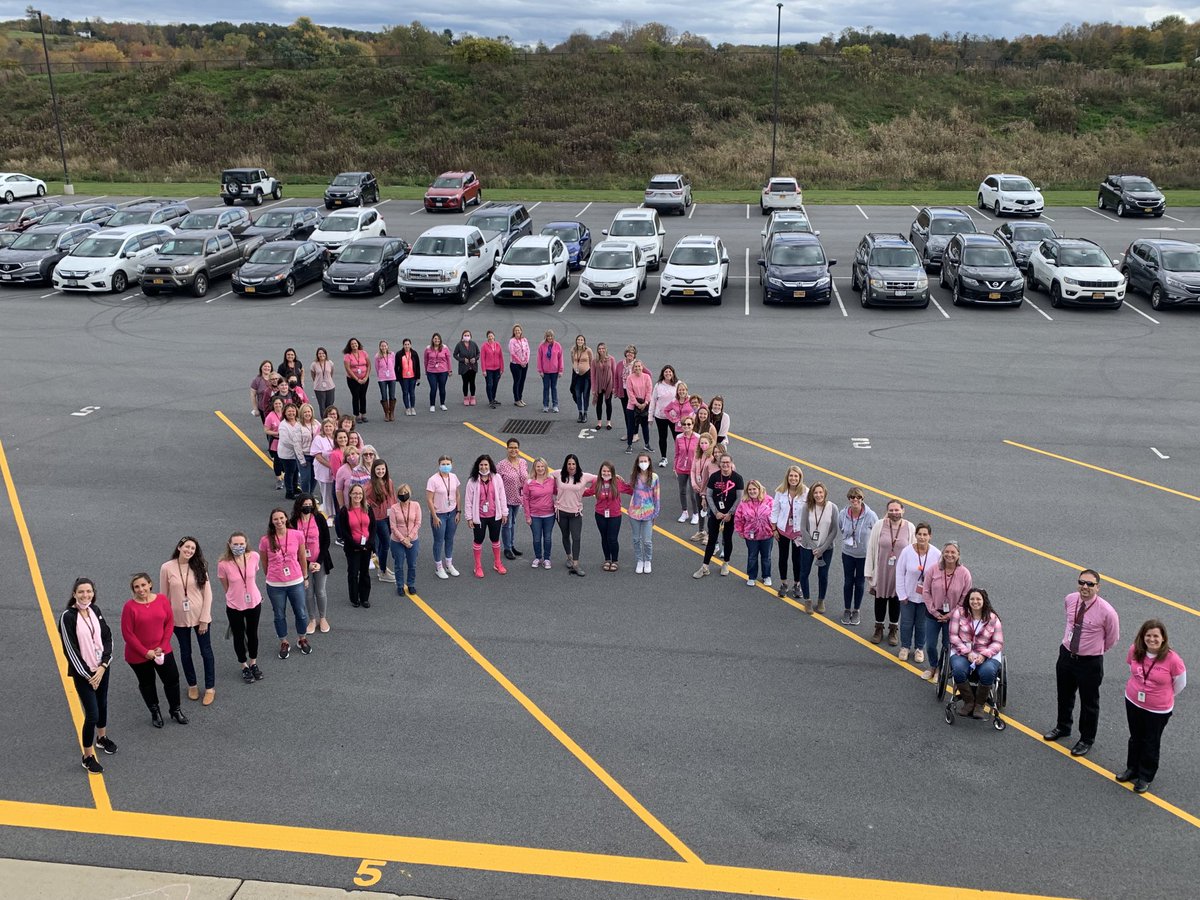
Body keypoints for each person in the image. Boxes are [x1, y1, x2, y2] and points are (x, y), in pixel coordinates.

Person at [1043, 570, 1120, 757]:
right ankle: (1063, 726)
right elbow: (1070, 622)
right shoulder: (1070, 599)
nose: (1085, 587)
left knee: (1089, 703)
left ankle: (1086, 739)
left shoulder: (1107, 611)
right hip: (1067, 655)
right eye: (1082, 582)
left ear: (1098, 587)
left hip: (1090, 661)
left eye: (1090, 584)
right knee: (1064, 694)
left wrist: (1093, 651)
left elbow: (1112, 638)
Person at [1120, 619, 1186, 793]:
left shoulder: (1173, 659)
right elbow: (1132, 670)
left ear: (1163, 638)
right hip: (1133, 701)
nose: (1152, 639)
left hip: (1157, 709)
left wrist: (1161, 696)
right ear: (1142, 637)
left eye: (1156, 636)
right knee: (1135, 737)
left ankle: (1145, 776)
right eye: (1148, 635)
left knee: (1151, 741)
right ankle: (1132, 768)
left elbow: (1180, 683)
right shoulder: (1135, 650)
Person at [59, 578, 116, 773]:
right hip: (85, 674)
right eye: (81, 592)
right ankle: (87, 756)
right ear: (74, 594)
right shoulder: (68, 617)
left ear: (93, 592)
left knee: (103, 705)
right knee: (92, 713)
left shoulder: (95, 611)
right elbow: (70, 651)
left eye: (89, 591)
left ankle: (101, 738)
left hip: (101, 669)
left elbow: (108, 637)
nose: (85, 595)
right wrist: (89, 674)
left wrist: (103, 666)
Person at [120, 573, 186, 728]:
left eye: (143, 585)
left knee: (172, 680)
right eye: (136, 587)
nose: (141, 589)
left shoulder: (162, 599)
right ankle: (155, 712)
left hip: (162, 650)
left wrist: (162, 646)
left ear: (150, 584)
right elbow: (128, 634)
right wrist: (145, 652)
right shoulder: (129, 607)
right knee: (147, 683)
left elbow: (169, 623)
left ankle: (175, 710)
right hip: (139, 655)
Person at [160, 537, 216, 706]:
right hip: (178, 619)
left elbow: (208, 594)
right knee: (185, 652)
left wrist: (205, 618)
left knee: (206, 652)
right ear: (179, 547)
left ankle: (210, 688)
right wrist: (166, 619)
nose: (189, 550)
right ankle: (192, 685)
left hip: (200, 617)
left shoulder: (199, 566)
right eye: (187, 547)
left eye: (193, 548)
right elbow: (164, 595)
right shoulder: (166, 567)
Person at [258, 508, 311, 660]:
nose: (279, 521)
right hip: (275, 585)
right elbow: (264, 563)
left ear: (286, 519)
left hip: (296, 581)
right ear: (272, 522)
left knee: (300, 612)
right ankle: (284, 642)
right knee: (279, 614)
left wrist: (305, 576)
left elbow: (302, 556)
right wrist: (273, 575)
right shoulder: (266, 540)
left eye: (281, 518)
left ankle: (302, 638)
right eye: (276, 519)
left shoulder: (297, 535)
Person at [216, 533, 265, 684]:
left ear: (246, 543)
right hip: (235, 605)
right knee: (238, 635)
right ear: (229, 545)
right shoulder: (223, 564)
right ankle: (243, 665)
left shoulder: (254, 556)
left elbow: (252, 577)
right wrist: (235, 595)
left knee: (252, 633)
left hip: (254, 602)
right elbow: (225, 585)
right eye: (235, 544)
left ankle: (253, 663)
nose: (239, 547)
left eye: (241, 544)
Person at [864, 499, 914, 647]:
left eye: (897, 510)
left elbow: (912, 551)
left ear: (903, 510)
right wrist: (869, 570)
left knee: (895, 599)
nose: (894, 513)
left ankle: (893, 629)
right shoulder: (879, 525)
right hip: (882, 569)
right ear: (887, 511)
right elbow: (871, 548)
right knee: (879, 599)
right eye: (891, 510)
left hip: (900, 573)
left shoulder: (909, 527)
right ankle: (878, 628)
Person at [921, 541, 972, 685]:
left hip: (953, 616)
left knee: (947, 645)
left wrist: (950, 615)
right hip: (933, 613)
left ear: (958, 555)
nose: (949, 555)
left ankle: (941, 670)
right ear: (942, 553)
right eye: (947, 552)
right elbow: (926, 591)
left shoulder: (964, 574)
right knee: (930, 644)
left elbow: (965, 597)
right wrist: (933, 611)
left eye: (953, 552)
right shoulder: (933, 570)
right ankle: (933, 666)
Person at [948, 587, 1004, 717]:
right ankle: (969, 702)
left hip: (986, 654)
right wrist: (968, 653)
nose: (975, 602)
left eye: (978, 599)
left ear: (984, 601)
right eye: (972, 599)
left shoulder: (993, 618)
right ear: (968, 600)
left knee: (988, 672)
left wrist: (984, 655)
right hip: (962, 652)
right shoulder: (959, 613)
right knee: (958, 670)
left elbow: (998, 642)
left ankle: (979, 705)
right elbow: (953, 637)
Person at [895, 523, 939, 663]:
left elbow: (938, 578)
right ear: (916, 535)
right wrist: (902, 594)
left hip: (926, 598)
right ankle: (905, 647)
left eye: (925, 534)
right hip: (908, 595)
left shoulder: (936, 554)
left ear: (930, 536)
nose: (922, 537)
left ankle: (919, 648)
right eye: (919, 534)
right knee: (906, 623)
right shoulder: (907, 551)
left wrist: (933, 598)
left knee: (922, 624)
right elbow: (900, 573)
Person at [695, 454, 743, 578]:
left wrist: (730, 513)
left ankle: (726, 563)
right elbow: (709, 495)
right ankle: (705, 566)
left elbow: (739, 498)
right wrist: (716, 512)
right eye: (723, 462)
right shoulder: (714, 477)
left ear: (731, 463)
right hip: (716, 514)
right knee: (711, 539)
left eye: (727, 462)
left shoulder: (737, 478)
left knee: (727, 540)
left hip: (729, 516)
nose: (725, 465)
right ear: (719, 464)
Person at [291, 495, 333, 633]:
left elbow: (326, 541)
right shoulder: (293, 522)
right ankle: (312, 619)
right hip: (302, 563)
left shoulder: (319, 518)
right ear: (299, 506)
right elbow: (292, 546)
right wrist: (307, 563)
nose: (308, 507)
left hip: (319, 561)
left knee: (320, 591)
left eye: (310, 504)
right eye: (305, 504)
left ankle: (323, 618)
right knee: (308, 592)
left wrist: (318, 562)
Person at [797, 483, 840, 614]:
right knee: (804, 573)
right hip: (807, 547)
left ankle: (821, 600)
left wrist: (822, 548)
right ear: (812, 494)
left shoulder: (832, 508)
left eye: (820, 492)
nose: (818, 495)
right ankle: (807, 600)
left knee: (823, 575)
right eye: (815, 493)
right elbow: (803, 528)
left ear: (825, 493)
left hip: (826, 548)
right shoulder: (807, 507)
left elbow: (834, 530)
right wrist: (813, 546)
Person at [837, 488, 878, 626]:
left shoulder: (870, 515)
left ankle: (857, 610)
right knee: (848, 581)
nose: (855, 500)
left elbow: (877, 532)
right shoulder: (843, 514)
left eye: (858, 497)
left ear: (862, 499)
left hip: (863, 555)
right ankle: (847, 609)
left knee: (859, 582)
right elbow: (841, 527)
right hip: (848, 553)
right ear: (848, 499)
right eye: (852, 497)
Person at [465, 454, 509, 578]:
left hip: (495, 515)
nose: (484, 467)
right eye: (481, 465)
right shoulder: (472, 481)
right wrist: (469, 518)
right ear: (477, 466)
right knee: (478, 540)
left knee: (495, 539)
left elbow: (502, 496)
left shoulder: (497, 478)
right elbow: (468, 500)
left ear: (490, 465)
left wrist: (504, 513)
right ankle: (477, 566)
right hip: (479, 517)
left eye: (486, 464)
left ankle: (497, 563)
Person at [770, 465, 808, 600]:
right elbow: (775, 510)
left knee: (797, 559)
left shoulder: (806, 492)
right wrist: (774, 529)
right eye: (791, 476)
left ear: (800, 478)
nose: (793, 478)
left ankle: (797, 584)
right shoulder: (780, 491)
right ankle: (784, 583)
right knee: (783, 557)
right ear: (787, 477)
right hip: (783, 530)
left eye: (796, 476)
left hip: (798, 532)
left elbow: (810, 511)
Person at [554, 453, 595, 576]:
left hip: (576, 513)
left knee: (576, 537)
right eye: (569, 464)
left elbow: (601, 477)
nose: (571, 466)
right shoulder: (558, 474)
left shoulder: (584, 476)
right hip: (561, 512)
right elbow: (542, 474)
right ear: (566, 465)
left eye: (573, 464)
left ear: (577, 465)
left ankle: (576, 564)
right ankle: (569, 557)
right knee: (565, 535)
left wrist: (615, 476)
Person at [336, 483, 375, 609]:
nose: (357, 495)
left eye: (360, 493)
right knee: (353, 573)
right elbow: (344, 531)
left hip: (366, 547)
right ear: (350, 494)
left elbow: (373, 527)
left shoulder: (368, 508)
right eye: (355, 493)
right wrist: (355, 544)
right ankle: (354, 598)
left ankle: (365, 598)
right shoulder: (345, 510)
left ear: (363, 495)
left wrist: (370, 543)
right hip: (352, 548)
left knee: (365, 572)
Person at [584, 461, 628, 571]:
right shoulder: (597, 483)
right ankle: (607, 559)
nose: (606, 473)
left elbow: (631, 490)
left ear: (612, 472)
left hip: (615, 515)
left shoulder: (618, 483)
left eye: (608, 471)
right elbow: (588, 492)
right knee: (604, 537)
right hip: (600, 514)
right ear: (600, 472)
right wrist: (571, 490)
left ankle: (615, 560)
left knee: (612, 538)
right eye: (604, 471)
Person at [426, 455, 461, 579]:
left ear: (451, 464)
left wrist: (458, 511)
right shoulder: (433, 480)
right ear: (439, 465)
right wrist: (434, 516)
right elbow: (429, 499)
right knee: (439, 540)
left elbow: (457, 495)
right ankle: (438, 567)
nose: (446, 466)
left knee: (450, 539)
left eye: (448, 464)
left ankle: (449, 564)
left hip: (452, 513)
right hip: (439, 515)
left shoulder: (454, 477)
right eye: (443, 464)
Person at [627, 451, 661, 574]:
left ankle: (648, 560)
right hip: (634, 512)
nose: (643, 463)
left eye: (645, 461)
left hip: (648, 513)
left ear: (649, 462)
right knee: (636, 539)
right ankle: (639, 560)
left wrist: (655, 513)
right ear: (637, 463)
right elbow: (628, 488)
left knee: (647, 540)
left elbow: (657, 496)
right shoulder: (634, 476)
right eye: (641, 461)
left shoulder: (655, 477)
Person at [734, 479, 773, 587]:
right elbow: (738, 518)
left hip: (767, 535)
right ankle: (752, 576)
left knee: (766, 557)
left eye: (754, 489)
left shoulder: (769, 500)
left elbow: (775, 516)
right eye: (750, 489)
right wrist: (740, 531)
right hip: (751, 536)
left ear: (759, 489)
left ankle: (766, 576)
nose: (752, 491)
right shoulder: (744, 503)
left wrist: (775, 530)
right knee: (752, 556)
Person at [522, 457, 557, 569]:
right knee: (536, 538)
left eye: (542, 466)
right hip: (534, 515)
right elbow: (525, 499)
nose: (540, 468)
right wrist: (528, 516)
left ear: (545, 467)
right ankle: (538, 557)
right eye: (538, 466)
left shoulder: (551, 480)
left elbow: (557, 492)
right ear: (534, 468)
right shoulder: (529, 482)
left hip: (549, 515)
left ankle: (547, 558)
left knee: (547, 537)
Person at [497, 438, 528, 560]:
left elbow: (526, 479)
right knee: (507, 524)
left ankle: (511, 544)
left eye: (515, 447)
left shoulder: (523, 462)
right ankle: (507, 548)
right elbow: (497, 483)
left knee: (513, 523)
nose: (513, 450)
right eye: (511, 447)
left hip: (518, 498)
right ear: (507, 448)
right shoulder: (501, 465)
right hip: (506, 499)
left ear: (518, 449)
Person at [388, 483, 422, 596]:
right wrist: (403, 540)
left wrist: (409, 538)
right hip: (397, 541)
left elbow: (418, 523)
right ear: (397, 495)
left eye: (405, 492)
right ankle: (400, 585)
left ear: (409, 493)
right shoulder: (394, 508)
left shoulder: (416, 505)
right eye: (401, 493)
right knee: (399, 565)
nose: (403, 495)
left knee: (412, 564)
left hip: (413, 540)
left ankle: (411, 584)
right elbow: (393, 526)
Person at [366, 458, 396, 584]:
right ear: (374, 470)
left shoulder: (388, 481)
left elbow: (393, 497)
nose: (381, 471)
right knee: (385, 545)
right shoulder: (370, 485)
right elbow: (366, 500)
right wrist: (374, 506)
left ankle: (383, 568)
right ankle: (382, 571)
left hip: (389, 516)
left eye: (383, 469)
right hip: (378, 519)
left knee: (384, 544)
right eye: (378, 469)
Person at [689, 434, 717, 542]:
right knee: (700, 508)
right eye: (701, 443)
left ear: (710, 444)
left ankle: (710, 534)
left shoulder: (713, 458)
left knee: (710, 511)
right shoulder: (697, 455)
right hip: (698, 488)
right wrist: (693, 483)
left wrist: (705, 491)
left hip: (708, 490)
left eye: (706, 443)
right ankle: (701, 531)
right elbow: (692, 470)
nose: (703, 445)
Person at [649, 365, 679, 467]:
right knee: (662, 437)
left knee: (677, 438)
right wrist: (650, 416)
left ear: (673, 373)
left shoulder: (678, 384)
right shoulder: (658, 385)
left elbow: (685, 397)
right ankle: (663, 458)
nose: (668, 374)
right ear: (663, 373)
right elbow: (653, 400)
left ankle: (679, 457)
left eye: (670, 372)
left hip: (674, 417)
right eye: (666, 372)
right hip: (660, 416)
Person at [672, 416, 699, 524]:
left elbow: (700, 454)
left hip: (693, 469)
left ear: (692, 425)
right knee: (682, 491)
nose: (686, 426)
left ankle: (696, 514)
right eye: (684, 424)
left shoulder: (698, 437)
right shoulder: (678, 437)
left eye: (689, 424)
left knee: (693, 493)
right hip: (681, 468)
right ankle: (684, 512)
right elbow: (677, 454)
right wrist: (675, 467)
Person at [623, 359, 653, 454]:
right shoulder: (629, 378)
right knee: (631, 426)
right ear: (633, 368)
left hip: (645, 405)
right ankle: (629, 445)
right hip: (632, 407)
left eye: (639, 366)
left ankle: (647, 445)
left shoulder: (647, 377)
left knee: (645, 426)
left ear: (642, 367)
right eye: (636, 366)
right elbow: (630, 393)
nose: (637, 368)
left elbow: (649, 391)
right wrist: (637, 404)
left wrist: (645, 403)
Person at [275, 403, 303, 499]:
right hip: (286, 454)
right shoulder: (283, 425)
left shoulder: (299, 422)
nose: (291, 413)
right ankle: (289, 492)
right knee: (289, 472)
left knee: (295, 470)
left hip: (296, 453)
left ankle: (295, 487)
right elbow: (285, 441)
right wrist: (298, 447)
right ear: (285, 413)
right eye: (289, 411)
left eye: (293, 411)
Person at [310, 418, 338, 514]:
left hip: (336, 470)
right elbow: (318, 457)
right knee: (326, 493)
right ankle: (329, 514)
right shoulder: (318, 438)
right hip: (323, 469)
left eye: (330, 426)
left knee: (335, 491)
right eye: (326, 426)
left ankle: (336, 512)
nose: (328, 428)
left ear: (334, 427)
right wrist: (331, 466)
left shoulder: (336, 437)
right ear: (322, 428)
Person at [342, 337, 371, 424]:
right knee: (356, 396)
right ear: (350, 346)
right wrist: (357, 379)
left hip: (364, 378)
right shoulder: (347, 356)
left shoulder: (364, 353)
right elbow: (348, 369)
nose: (354, 345)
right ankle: (356, 414)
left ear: (358, 344)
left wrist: (366, 377)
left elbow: (369, 365)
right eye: (352, 344)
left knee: (363, 395)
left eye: (355, 344)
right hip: (353, 379)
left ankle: (363, 413)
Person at [335, 446, 372, 510]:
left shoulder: (364, 467)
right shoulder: (342, 470)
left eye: (353, 454)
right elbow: (339, 490)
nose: (351, 457)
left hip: (366, 502)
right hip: (349, 504)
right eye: (348, 455)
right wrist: (342, 505)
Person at [590, 342, 617, 430]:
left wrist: (614, 387)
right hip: (598, 384)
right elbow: (593, 375)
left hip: (609, 384)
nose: (601, 350)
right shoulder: (594, 360)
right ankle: (599, 422)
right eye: (599, 349)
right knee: (599, 403)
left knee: (608, 403)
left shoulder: (611, 359)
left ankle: (609, 422)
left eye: (603, 348)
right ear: (597, 350)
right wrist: (593, 388)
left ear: (606, 349)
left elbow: (614, 373)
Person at [295, 403, 320, 496]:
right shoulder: (298, 426)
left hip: (315, 455)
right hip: (304, 455)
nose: (307, 414)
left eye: (309, 412)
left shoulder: (317, 423)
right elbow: (297, 444)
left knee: (314, 477)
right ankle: (305, 495)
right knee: (305, 478)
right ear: (301, 413)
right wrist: (301, 460)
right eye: (305, 412)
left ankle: (311, 493)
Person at [537, 329, 563, 413]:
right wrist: (540, 370)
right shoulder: (542, 346)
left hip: (555, 371)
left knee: (554, 388)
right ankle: (545, 405)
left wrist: (560, 370)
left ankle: (555, 405)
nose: (550, 337)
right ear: (546, 337)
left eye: (551, 336)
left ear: (553, 336)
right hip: (545, 372)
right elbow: (539, 359)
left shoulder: (558, 346)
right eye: (548, 336)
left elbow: (560, 359)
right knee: (546, 388)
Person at [263, 396, 285, 491]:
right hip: (276, 441)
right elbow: (266, 430)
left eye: (279, 403)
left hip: (286, 442)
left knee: (286, 460)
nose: (278, 405)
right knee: (277, 461)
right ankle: (279, 479)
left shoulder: (286, 414)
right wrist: (277, 433)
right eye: (276, 404)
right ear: (273, 405)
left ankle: (287, 477)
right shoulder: (270, 416)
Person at [424, 332, 451, 411]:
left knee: (442, 388)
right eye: (435, 339)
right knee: (433, 388)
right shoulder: (428, 348)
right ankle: (432, 405)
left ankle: (442, 404)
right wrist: (426, 370)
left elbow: (448, 359)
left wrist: (449, 370)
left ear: (440, 340)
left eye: (438, 339)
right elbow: (426, 360)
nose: (437, 340)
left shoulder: (445, 348)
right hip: (431, 371)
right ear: (432, 340)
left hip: (443, 371)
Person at [569, 334, 593, 424]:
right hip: (576, 375)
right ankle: (580, 413)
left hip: (586, 375)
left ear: (584, 341)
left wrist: (586, 369)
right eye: (578, 340)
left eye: (581, 340)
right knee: (577, 394)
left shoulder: (588, 350)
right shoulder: (573, 350)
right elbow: (573, 360)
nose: (580, 341)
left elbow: (591, 362)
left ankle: (585, 413)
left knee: (585, 394)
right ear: (576, 341)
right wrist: (576, 367)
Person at [453, 329, 480, 406]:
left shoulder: (473, 344)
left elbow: (478, 353)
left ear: (470, 336)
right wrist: (462, 360)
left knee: (472, 382)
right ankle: (465, 397)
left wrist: (475, 359)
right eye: (465, 335)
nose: (466, 336)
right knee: (465, 383)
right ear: (462, 336)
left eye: (468, 335)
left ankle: (472, 397)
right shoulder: (459, 345)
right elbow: (455, 355)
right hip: (464, 367)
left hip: (473, 367)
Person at [397, 337, 422, 416]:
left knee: (412, 392)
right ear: (403, 345)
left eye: (408, 344)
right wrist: (397, 377)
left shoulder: (414, 353)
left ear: (410, 345)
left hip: (412, 377)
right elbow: (396, 366)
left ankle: (412, 407)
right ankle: (407, 408)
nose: (407, 346)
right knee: (405, 392)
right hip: (403, 377)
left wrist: (418, 377)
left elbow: (417, 366)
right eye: (405, 344)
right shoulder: (399, 354)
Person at [481, 330, 505, 409]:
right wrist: (484, 370)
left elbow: (501, 357)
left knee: (495, 384)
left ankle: (493, 398)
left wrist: (502, 368)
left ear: (494, 336)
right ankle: (490, 400)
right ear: (487, 338)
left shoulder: (498, 345)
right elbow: (482, 359)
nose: (491, 337)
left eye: (492, 336)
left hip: (497, 368)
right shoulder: (484, 346)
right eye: (489, 336)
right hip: (488, 369)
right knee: (489, 384)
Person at [375, 339, 397, 421]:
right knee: (384, 396)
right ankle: (386, 413)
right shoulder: (377, 356)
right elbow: (377, 368)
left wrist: (390, 372)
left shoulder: (392, 354)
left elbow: (393, 364)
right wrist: (381, 375)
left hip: (392, 377)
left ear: (387, 346)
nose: (383, 347)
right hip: (382, 378)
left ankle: (391, 413)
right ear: (380, 347)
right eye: (382, 346)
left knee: (392, 395)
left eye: (385, 346)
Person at [508, 323, 530, 407]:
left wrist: (526, 361)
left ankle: (520, 398)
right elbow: (513, 353)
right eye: (516, 330)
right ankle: (516, 399)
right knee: (517, 381)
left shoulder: (524, 340)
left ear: (521, 331)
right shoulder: (512, 341)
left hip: (524, 364)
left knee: (522, 381)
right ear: (513, 332)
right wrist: (521, 362)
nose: (517, 331)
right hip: (515, 364)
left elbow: (528, 350)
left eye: (519, 330)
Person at [310, 347, 335, 418]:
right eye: (319, 353)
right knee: (322, 405)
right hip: (319, 388)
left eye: (323, 353)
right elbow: (313, 375)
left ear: (326, 354)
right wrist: (317, 381)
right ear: (317, 355)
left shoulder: (330, 363)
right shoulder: (314, 364)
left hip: (330, 386)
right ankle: (324, 420)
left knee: (330, 404)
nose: (321, 355)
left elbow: (331, 373)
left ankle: (330, 419)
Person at [250, 360, 275, 424]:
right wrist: (255, 409)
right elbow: (253, 395)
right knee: (268, 426)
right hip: (263, 409)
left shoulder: (275, 378)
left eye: (269, 366)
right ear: (261, 368)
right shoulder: (256, 380)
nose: (267, 368)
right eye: (265, 366)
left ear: (271, 368)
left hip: (276, 407)